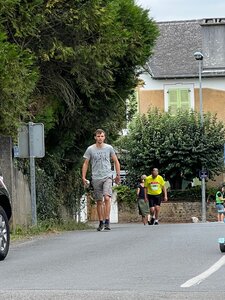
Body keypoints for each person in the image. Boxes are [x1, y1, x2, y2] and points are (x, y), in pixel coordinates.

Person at [82, 129, 120, 231]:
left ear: (104, 137)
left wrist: (117, 175)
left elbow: (116, 161)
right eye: (98, 136)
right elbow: (86, 163)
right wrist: (83, 177)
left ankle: (107, 220)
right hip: (96, 177)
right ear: (95, 137)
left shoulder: (109, 148)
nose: (100, 138)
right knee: (99, 201)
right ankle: (101, 222)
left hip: (107, 176)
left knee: (107, 198)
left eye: (102, 136)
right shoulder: (90, 149)